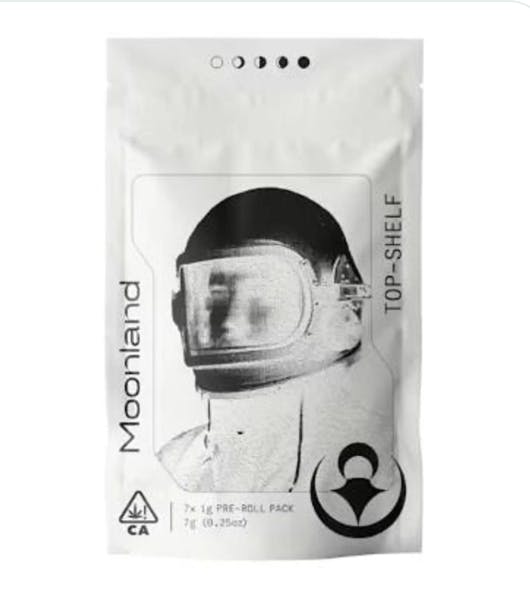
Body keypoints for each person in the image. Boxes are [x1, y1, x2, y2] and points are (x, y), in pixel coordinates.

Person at [158, 187, 393, 493]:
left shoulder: (373, 455)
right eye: (215, 297)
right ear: (182, 311)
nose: (229, 321)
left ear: (344, 314)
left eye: (260, 297)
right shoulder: (174, 464)